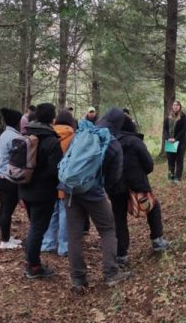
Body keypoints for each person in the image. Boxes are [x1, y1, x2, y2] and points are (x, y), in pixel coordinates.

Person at [65, 107, 131, 294]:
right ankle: (111, 273)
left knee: (74, 234)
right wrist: (101, 186)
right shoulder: (112, 143)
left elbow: (68, 158)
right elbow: (114, 177)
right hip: (93, 192)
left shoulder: (82, 132)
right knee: (108, 229)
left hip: (70, 189)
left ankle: (78, 279)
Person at [114, 115, 170, 264]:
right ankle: (157, 240)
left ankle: (121, 255)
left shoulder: (110, 142)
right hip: (137, 184)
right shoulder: (135, 141)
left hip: (115, 186)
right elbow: (149, 165)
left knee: (119, 218)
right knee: (153, 207)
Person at [19, 103, 64, 278]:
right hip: (43, 193)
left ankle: (31, 260)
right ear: (52, 119)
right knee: (38, 229)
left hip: (25, 187)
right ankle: (34, 266)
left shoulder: (26, 134)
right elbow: (56, 170)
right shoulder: (51, 140)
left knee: (35, 227)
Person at [41, 110, 76, 257]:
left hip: (49, 179)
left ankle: (48, 243)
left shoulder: (48, 134)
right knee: (64, 213)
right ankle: (64, 246)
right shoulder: (74, 137)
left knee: (51, 212)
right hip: (65, 179)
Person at [0, 108, 25, 250]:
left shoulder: (5, 134)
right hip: (8, 177)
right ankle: (5, 241)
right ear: (17, 122)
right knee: (7, 210)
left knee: (4, 209)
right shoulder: (15, 137)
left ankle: (5, 237)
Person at [163, 100, 186, 184]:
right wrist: (168, 138)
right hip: (170, 142)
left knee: (179, 160)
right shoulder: (168, 117)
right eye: (174, 105)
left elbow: (184, 129)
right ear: (172, 106)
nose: (175, 106)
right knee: (171, 160)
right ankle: (171, 177)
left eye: (177, 105)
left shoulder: (183, 117)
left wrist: (176, 139)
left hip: (180, 142)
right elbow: (165, 129)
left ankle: (178, 178)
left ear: (180, 107)